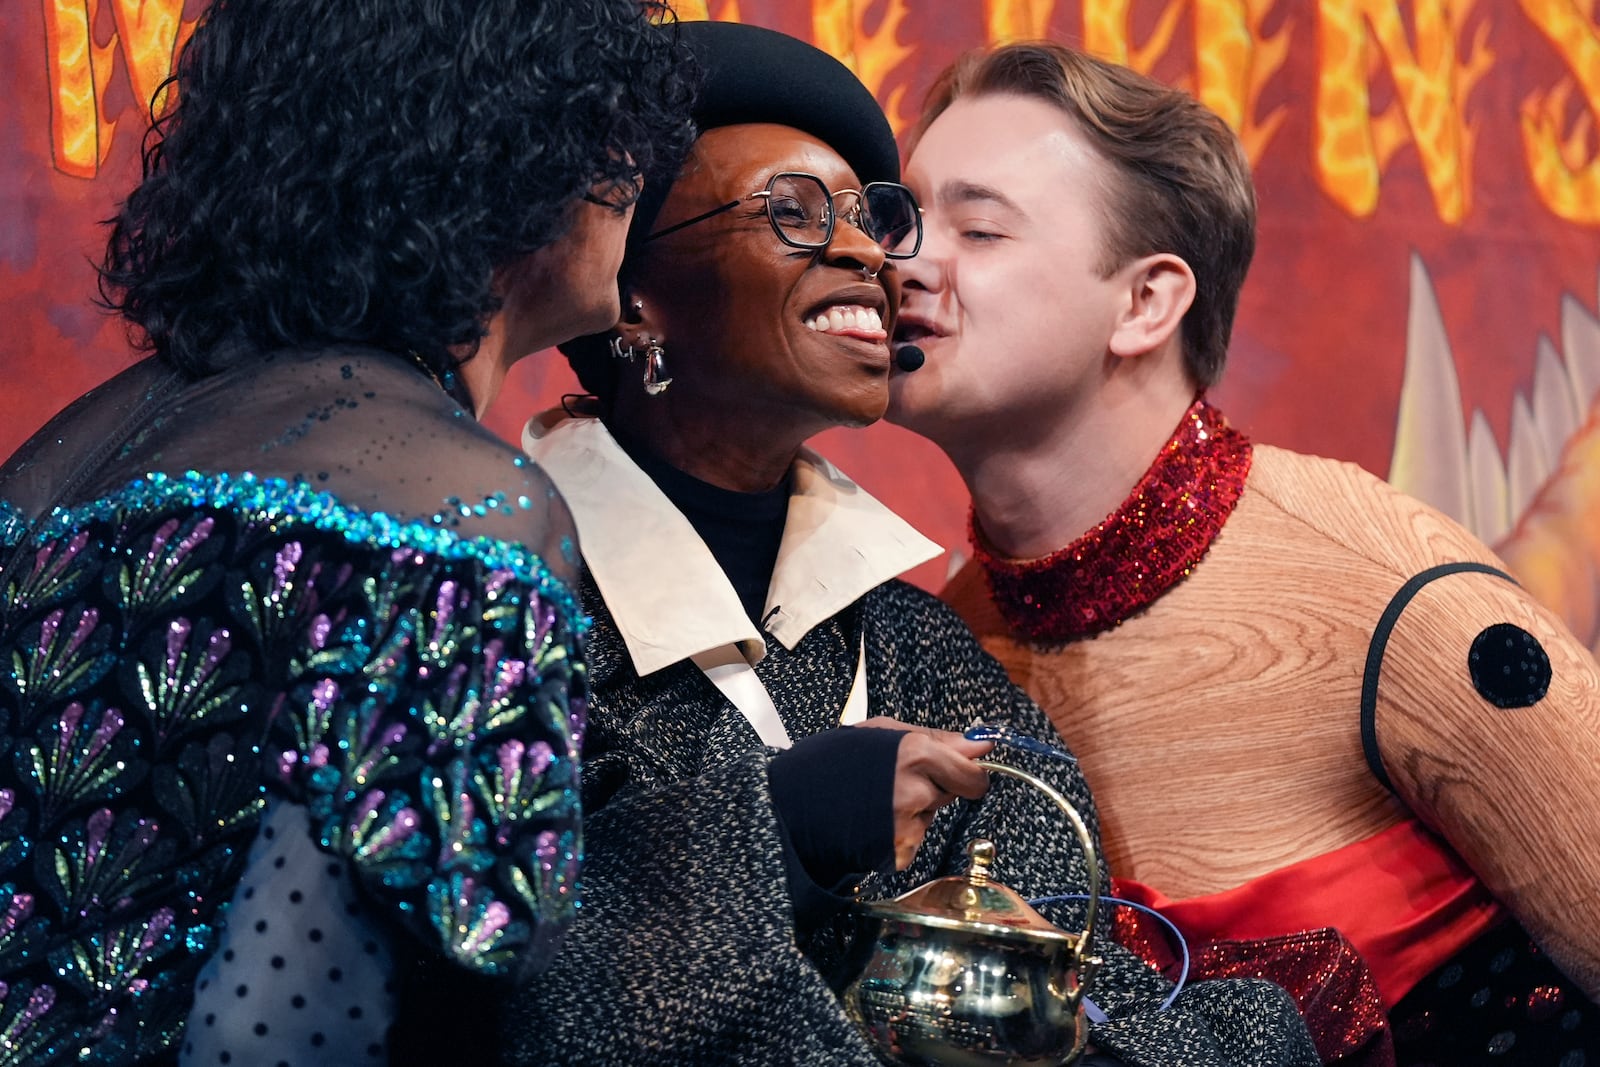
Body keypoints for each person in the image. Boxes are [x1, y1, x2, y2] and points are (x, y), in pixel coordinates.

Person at [500, 20, 1317, 1067]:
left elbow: (1087, 989)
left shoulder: (922, 649)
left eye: (865, 217)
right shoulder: (496, 602)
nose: (868, 254)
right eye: (792, 214)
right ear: (632, 293)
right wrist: (779, 822)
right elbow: (465, 994)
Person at [0, 1, 694, 1064]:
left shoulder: (49, 466)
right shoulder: (456, 519)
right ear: (510, 148)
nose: (631, 171)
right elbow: (286, 1028)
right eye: (607, 127)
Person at [887, 39, 1600, 1065]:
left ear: (1145, 302)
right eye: (904, 218)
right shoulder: (946, 640)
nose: (902, 264)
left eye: (979, 226)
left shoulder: (1373, 580)